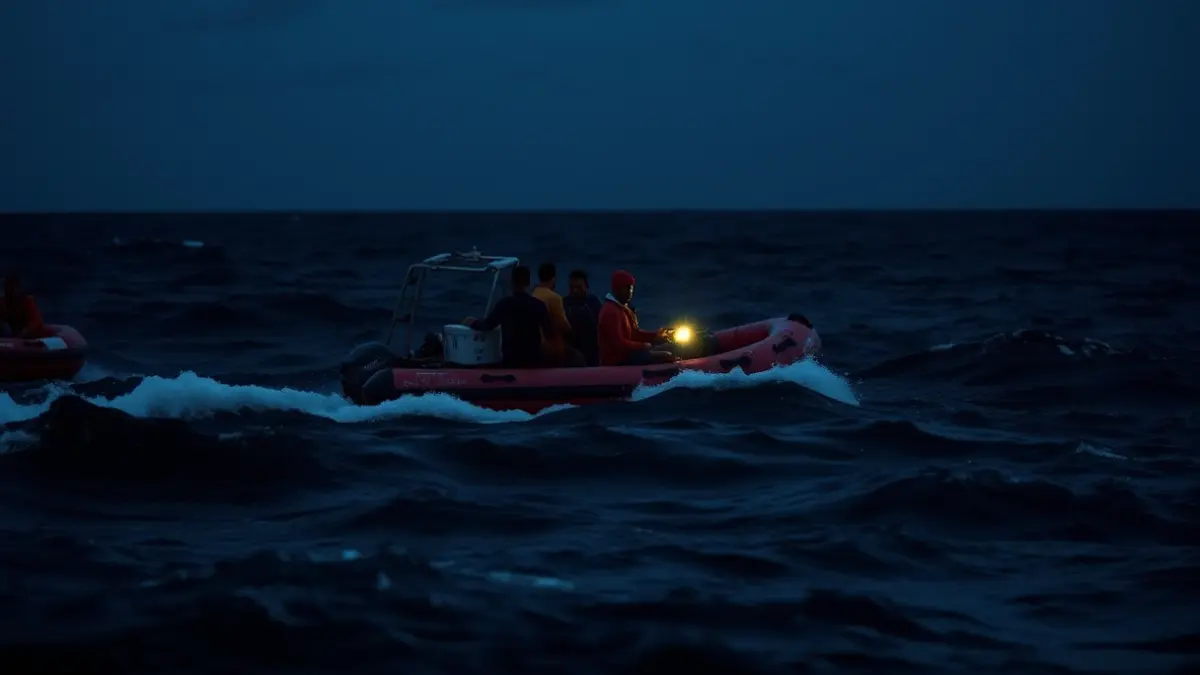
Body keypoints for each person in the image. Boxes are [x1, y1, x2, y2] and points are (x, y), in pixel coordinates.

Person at [462, 265, 556, 368]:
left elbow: (487, 325)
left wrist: (472, 322)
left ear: (512, 283)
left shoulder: (504, 304)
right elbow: (550, 334)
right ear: (529, 283)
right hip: (533, 360)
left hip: (511, 361)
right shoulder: (539, 305)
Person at [596, 269, 675, 366]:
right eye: (627, 288)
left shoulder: (624, 309)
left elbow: (635, 334)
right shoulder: (611, 311)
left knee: (669, 347)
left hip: (628, 354)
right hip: (618, 361)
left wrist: (656, 335)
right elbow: (618, 344)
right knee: (666, 355)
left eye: (631, 289)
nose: (630, 292)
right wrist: (643, 346)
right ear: (617, 289)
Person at [531, 262, 586, 367]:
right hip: (550, 347)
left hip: (536, 344)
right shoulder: (554, 298)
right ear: (553, 278)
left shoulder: (534, 294)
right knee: (578, 357)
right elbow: (563, 325)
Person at [562, 269, 603, 366]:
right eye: (572, 288)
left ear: (586, 286)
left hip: (591, 348)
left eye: (579, 287)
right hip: (572, 349)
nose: (575, 291)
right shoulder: (565, 303)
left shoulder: (593, 302)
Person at [1, 274, 50, 339]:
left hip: (27, 336)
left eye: (11, 288)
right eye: (6, 288)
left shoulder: (27, 302)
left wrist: (24, 332)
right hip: (11, 335)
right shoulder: (3, 303)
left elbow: (36, 321)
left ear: (18, 288)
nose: (8, 291)